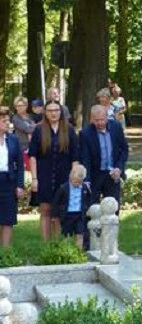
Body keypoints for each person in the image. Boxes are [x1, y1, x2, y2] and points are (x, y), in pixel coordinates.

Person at [28, 100, 79, 241]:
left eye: (56, 110)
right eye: (50, 110)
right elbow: (32, 156)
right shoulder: (39, 130)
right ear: (45, 113)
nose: (53, 113)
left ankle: (57, 244)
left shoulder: (68, 130)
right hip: (44, 176)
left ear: (61, 112)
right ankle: (46, 245)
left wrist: (73, 176)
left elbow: (75, 156)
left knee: (59, 212)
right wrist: (34, 179)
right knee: (45, 210)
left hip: (64, 176)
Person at [79, 104, 129, 206]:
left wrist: (119, 168)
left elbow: (124, 150)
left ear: (107, 117)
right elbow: (85, 158)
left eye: (102, 119)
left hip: (112, 175)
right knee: (91, 210)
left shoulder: (116, 127)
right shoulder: (85, 133)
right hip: (94, 176)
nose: (100, 122)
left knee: (113, 209)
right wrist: (86, 180)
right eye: (96, 120)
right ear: (91, 119)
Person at [0, 107, 26, 247]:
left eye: (8, 120)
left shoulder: (13, 139)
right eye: (4, 121)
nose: (8, 123)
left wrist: (19, 185)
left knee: (8, 218)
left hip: (9, 181)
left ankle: (6, 253)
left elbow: (20, 165)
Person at [53, 163, 92, 248]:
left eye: (80, 182)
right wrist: (55, 215)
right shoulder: (63, 188)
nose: (78, 184)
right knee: (66, 235)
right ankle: (67, 252)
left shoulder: (85, 188)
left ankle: (79, 252)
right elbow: (56, 202)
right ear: (70, 177)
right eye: (76, 181)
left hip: (80, 215)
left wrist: (88, 208)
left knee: (80, 234)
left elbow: (89, 199)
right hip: (67, 215)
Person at [11, 96, 36, 171]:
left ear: (26, 106)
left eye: (23, 105)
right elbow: (28, 129)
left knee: (32, 168)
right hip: (22, 147)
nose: (20, 107)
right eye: (18, 106)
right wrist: (34, 126)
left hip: (32, 146)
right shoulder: (15, 118)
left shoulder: (30, 117)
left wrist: (33, 127)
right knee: (24, 169)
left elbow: (34, 129)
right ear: (15, 107)